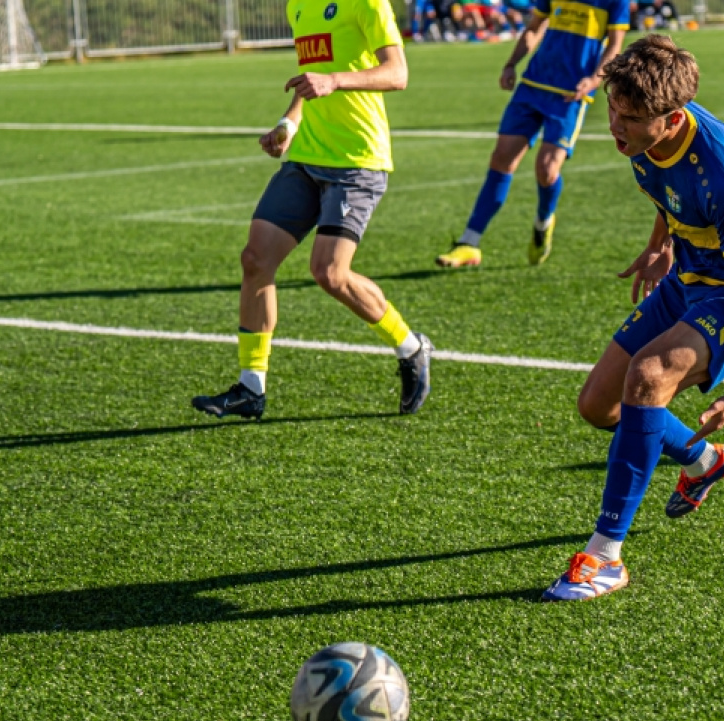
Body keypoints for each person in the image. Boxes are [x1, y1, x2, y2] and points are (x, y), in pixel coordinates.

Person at [544, 35, 724, 601]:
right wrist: (662, 245)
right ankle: (705, 459)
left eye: (629, 118)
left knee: (649, 377)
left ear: (672, 120)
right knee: (599, 405)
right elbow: (670, 196)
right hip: (687, 277)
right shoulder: (643, 141)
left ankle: (605, 558)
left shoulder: (719, 165)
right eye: (612, 111)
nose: (614, 127)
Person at [192, 0, 433, 421]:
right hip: (306, 157)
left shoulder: (369, 3)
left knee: (330, 273)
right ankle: (251, 387)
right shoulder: (299, 6)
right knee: (255, 259)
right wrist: (288, 123)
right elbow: (311, 85)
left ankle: (411, 347)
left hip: (357, 160)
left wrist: (336, 80)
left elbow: (398, 73)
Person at [436, 0, 629, 269]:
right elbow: (534, 28)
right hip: (532, 85)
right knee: (502, 158)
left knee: (547, 170)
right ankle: (469, 242)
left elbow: (614, 45)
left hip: (569, 94)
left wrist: (595, 79)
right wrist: (511, 63)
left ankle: (543, 222)